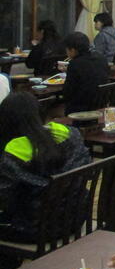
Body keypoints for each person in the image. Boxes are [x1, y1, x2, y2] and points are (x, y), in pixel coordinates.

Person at [0, 92, 90, 244]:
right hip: (75, 218)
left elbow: (4, 198)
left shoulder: (14, 152)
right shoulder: (71, 134)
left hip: (34, 229)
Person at [62, 32, 110, 114]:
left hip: (81, 109)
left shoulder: (74, 64)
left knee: (53, 110)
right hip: (101, 106)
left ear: (73, 50)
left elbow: (67, 93)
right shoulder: (101, 58)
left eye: (66, 49)